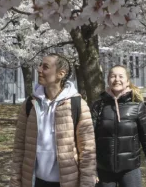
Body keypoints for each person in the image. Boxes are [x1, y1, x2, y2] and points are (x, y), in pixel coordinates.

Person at [10, 53, 96, 187]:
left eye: (45, 67)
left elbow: (87, 150)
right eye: (40, 65)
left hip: (66, 182)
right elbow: (19, 147)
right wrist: (15, 181)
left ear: (61, 74)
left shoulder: (77, 105)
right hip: (34, 181)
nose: (39, 70)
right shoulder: (30, 104)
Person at [91, 65, 146, 187]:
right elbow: (89, 140)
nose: (116, 79)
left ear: (127, 82)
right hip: (104, 171)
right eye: (113, 76)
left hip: (130, 170)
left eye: (121, 76)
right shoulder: (98, 106)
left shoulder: (137, 106)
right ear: (108, 80)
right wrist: (91, 168)